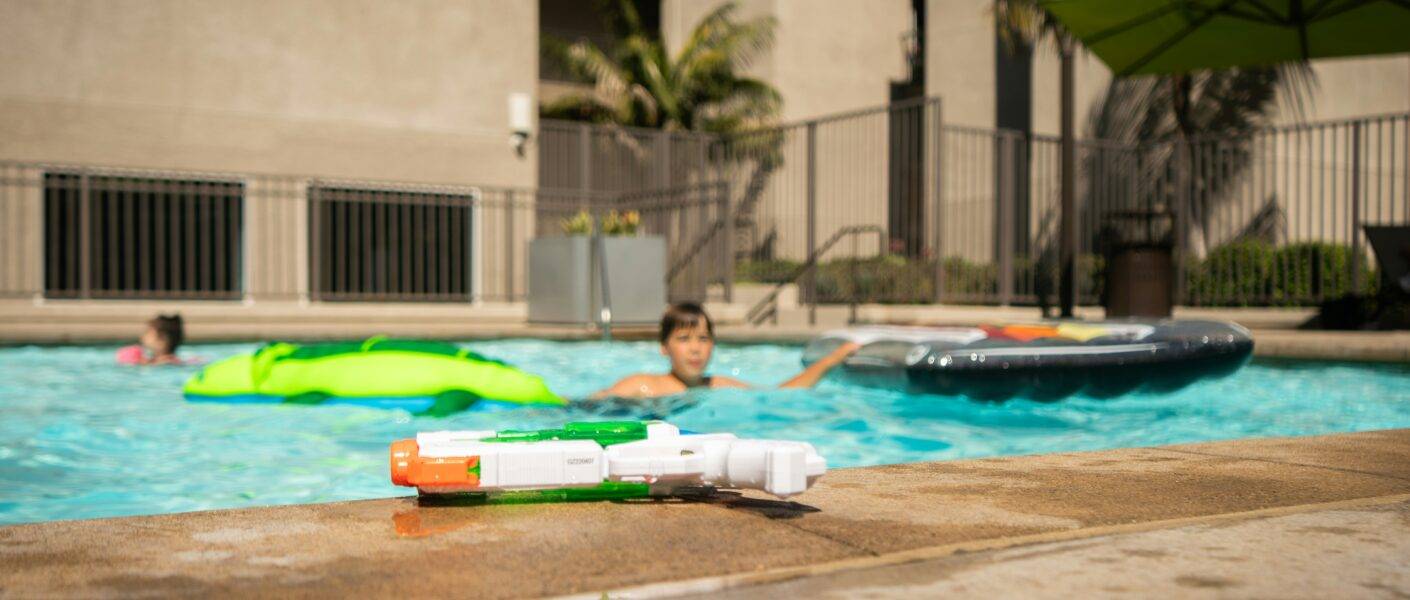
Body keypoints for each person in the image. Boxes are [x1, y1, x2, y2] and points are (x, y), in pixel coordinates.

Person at [593, 303, 860, 399]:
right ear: (664, 347)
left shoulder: (719, 386)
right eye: (684, 338)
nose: (696, 348)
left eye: (704, 338)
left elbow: (781, 393)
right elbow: (589, 406)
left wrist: (831, 360)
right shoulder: (643, 386)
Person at [115, 314, 186, 365]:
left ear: (161, 340)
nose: (143, 336)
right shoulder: (152, 360)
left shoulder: (168, 362)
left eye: (147, 332)